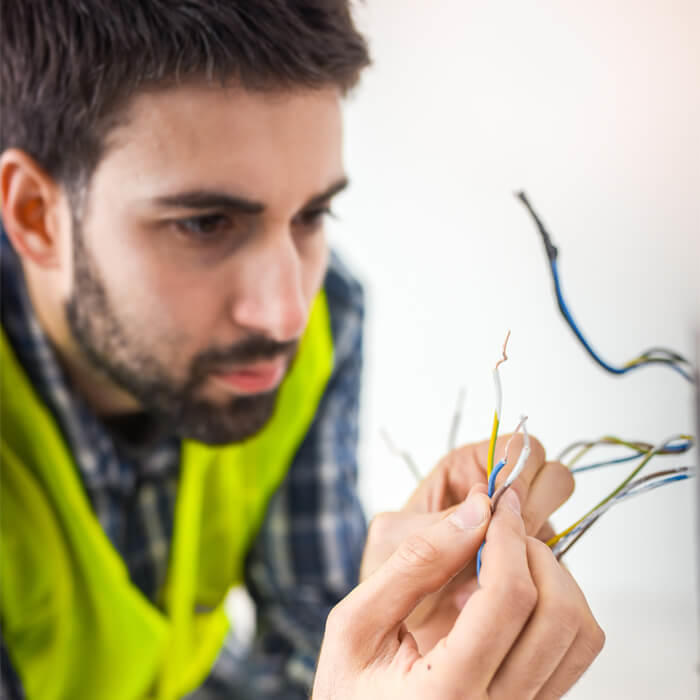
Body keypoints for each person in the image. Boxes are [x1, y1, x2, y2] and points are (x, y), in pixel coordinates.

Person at [0, 2, 604, 698]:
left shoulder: (325, 318)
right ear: (36, 215)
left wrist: (397, 629)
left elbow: (304, 654)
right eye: (204, 223)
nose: (286, 312)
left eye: (312, 215)